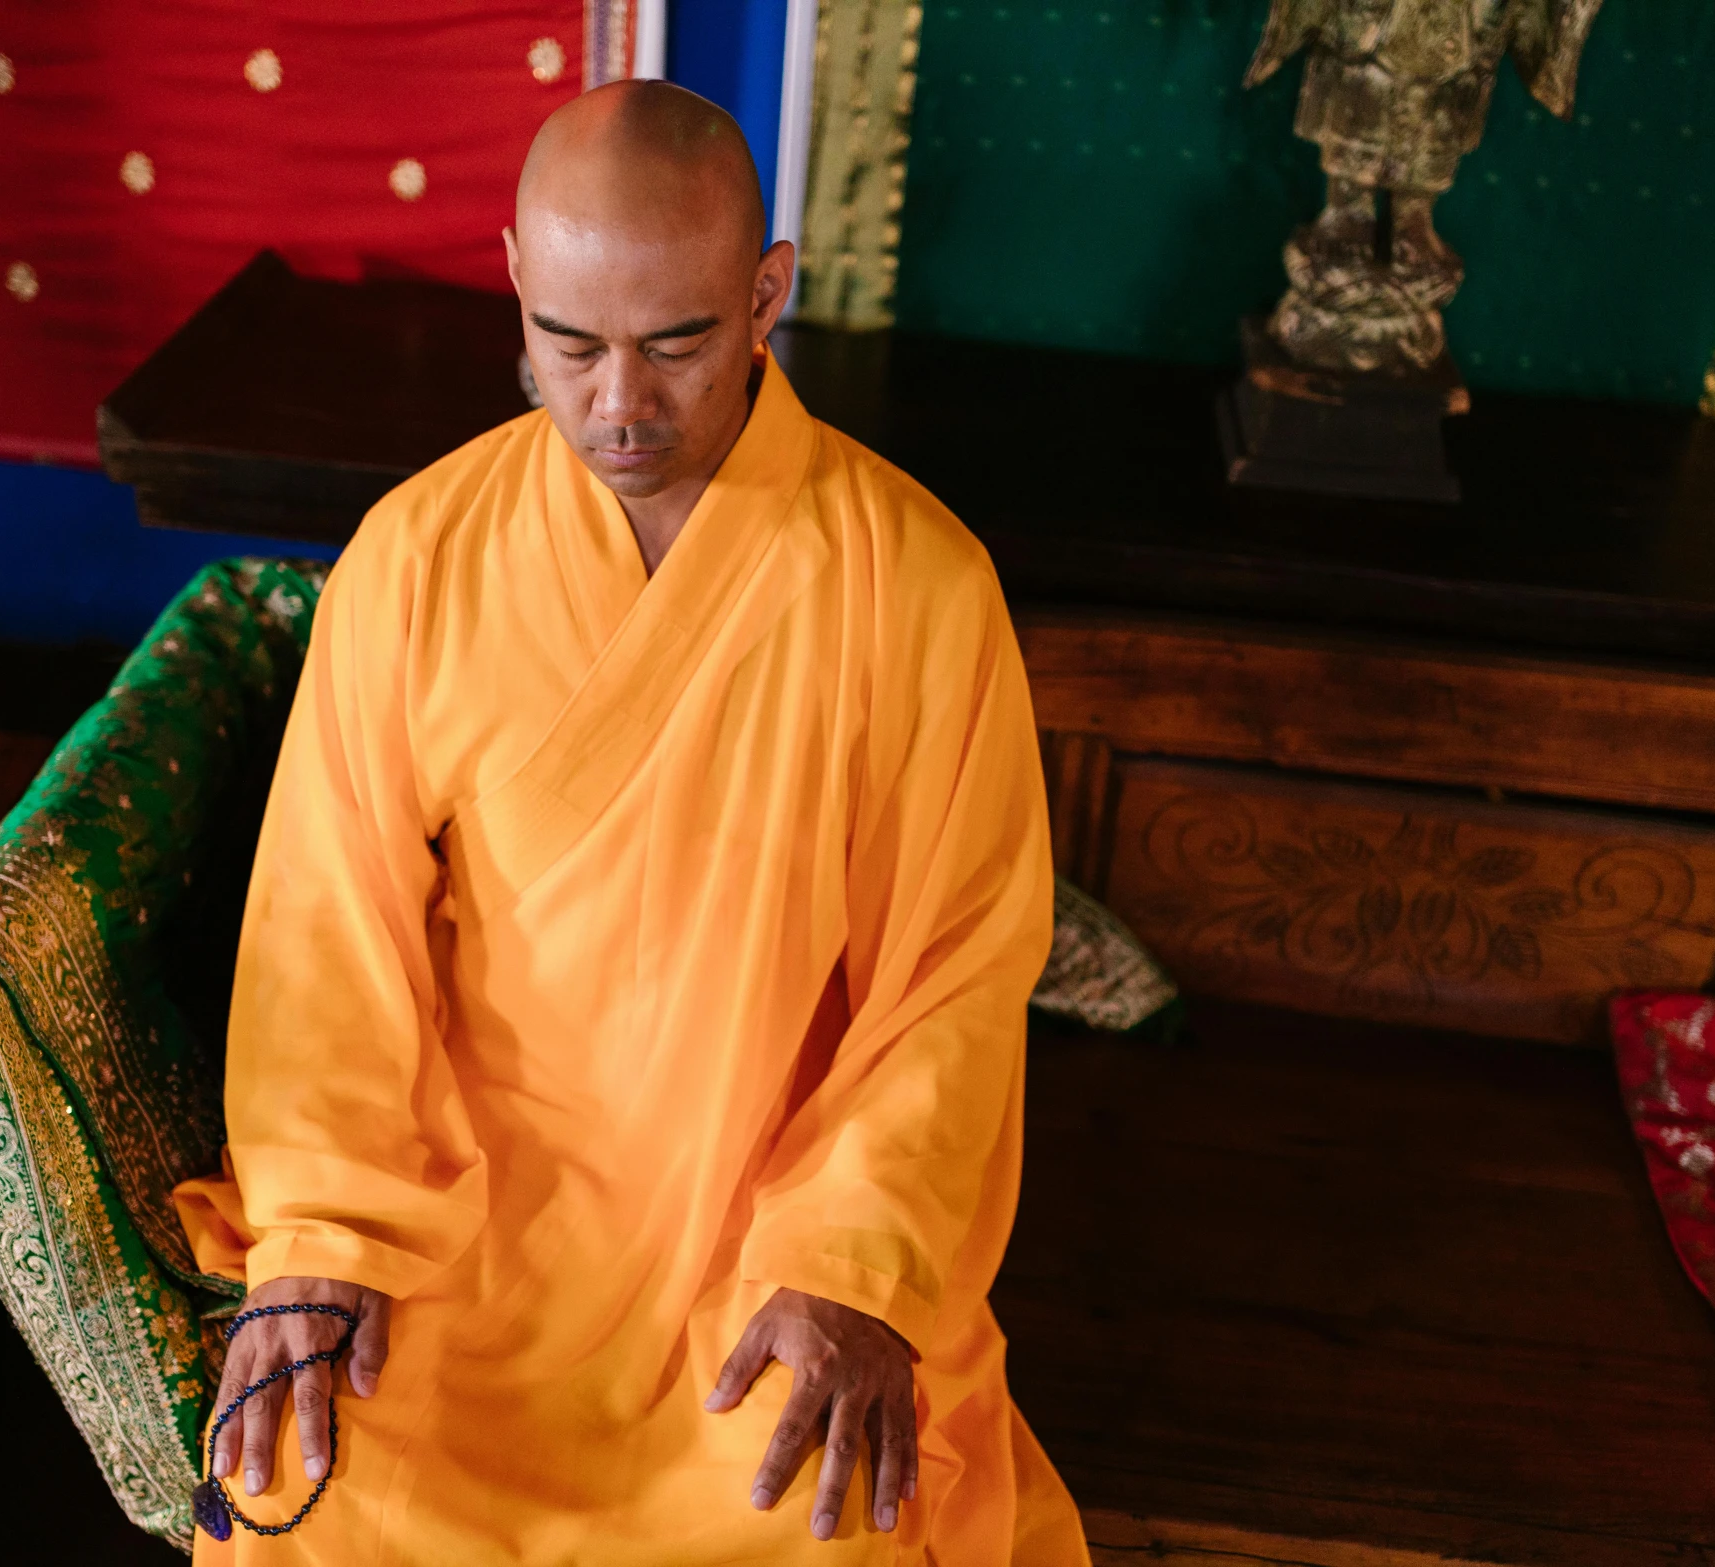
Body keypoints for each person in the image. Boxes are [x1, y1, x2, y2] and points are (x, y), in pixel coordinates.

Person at [171, 78, 1087, 1565]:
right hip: (465, 1233)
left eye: (677, 343)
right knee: (315, 1504)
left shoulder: (915, 583)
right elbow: (326, 935)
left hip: (763, 1233)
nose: (620, 406)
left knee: (821, 1517)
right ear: (518, 283)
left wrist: (855, 1262)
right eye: (570, 344)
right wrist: (325, 1240)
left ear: (763, 293)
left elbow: (955, 977)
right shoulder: (414, 559)